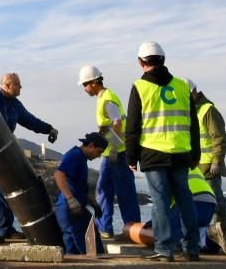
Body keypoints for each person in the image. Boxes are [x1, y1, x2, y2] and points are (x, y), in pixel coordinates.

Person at [125, 41, 201, 262]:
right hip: (181, 152)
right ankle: (193, 248)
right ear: (163, 60)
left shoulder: (140, 87)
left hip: (153, 152)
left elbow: (133, 126)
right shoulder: (182, 86)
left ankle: (165, 249)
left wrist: (131, 157)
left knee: (160, 201)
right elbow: (193, 125)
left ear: (141, 63)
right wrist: (195, 154)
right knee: (185, 199)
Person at [0, 72, 59, 242]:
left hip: (3, 156)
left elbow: (30, 121)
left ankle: (5, 229)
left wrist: (49, 129)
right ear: (7, 85)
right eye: (18, 85)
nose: (21, 88)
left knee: (6, 192)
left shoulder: (15, 105)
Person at [78, 65, 141, 240]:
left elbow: (117, 123)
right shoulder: (103, 97)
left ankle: (132, 229)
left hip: (118, 152)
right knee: (104, 189)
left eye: (85, 84)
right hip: (111, 152)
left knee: (125, 192)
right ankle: (105, 227)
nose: (84, 89)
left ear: (93, 83)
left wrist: (112, 147)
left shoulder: (107, 99)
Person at [54, 132, 108, 255]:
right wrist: (70, 199)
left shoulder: (80, 158)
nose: (99, 156)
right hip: (70, 210)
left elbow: (75, 184)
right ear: (91, 146)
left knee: (75, 252)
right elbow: (58, 174)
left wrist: (90, 201)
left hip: (75, 210)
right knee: (89, 252)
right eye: (99, 152)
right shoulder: (75, 156)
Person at [186, 79, 226, 227]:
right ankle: (201, 232)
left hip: (209, 166)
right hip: (193, 166)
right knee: (195, 199)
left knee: (216, 199)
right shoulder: (188, 111)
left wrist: (217, 161)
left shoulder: (208, 110)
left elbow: (219, 137)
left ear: (194, 92)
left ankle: (219, 230)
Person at [167, 167, 217, 255]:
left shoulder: (173, 170)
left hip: (193, 201)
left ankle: (178, 244)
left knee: (173, 223)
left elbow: (168, 201)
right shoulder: (194, 167)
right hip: (210, 202)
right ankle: (210, 243)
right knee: (200, 228)